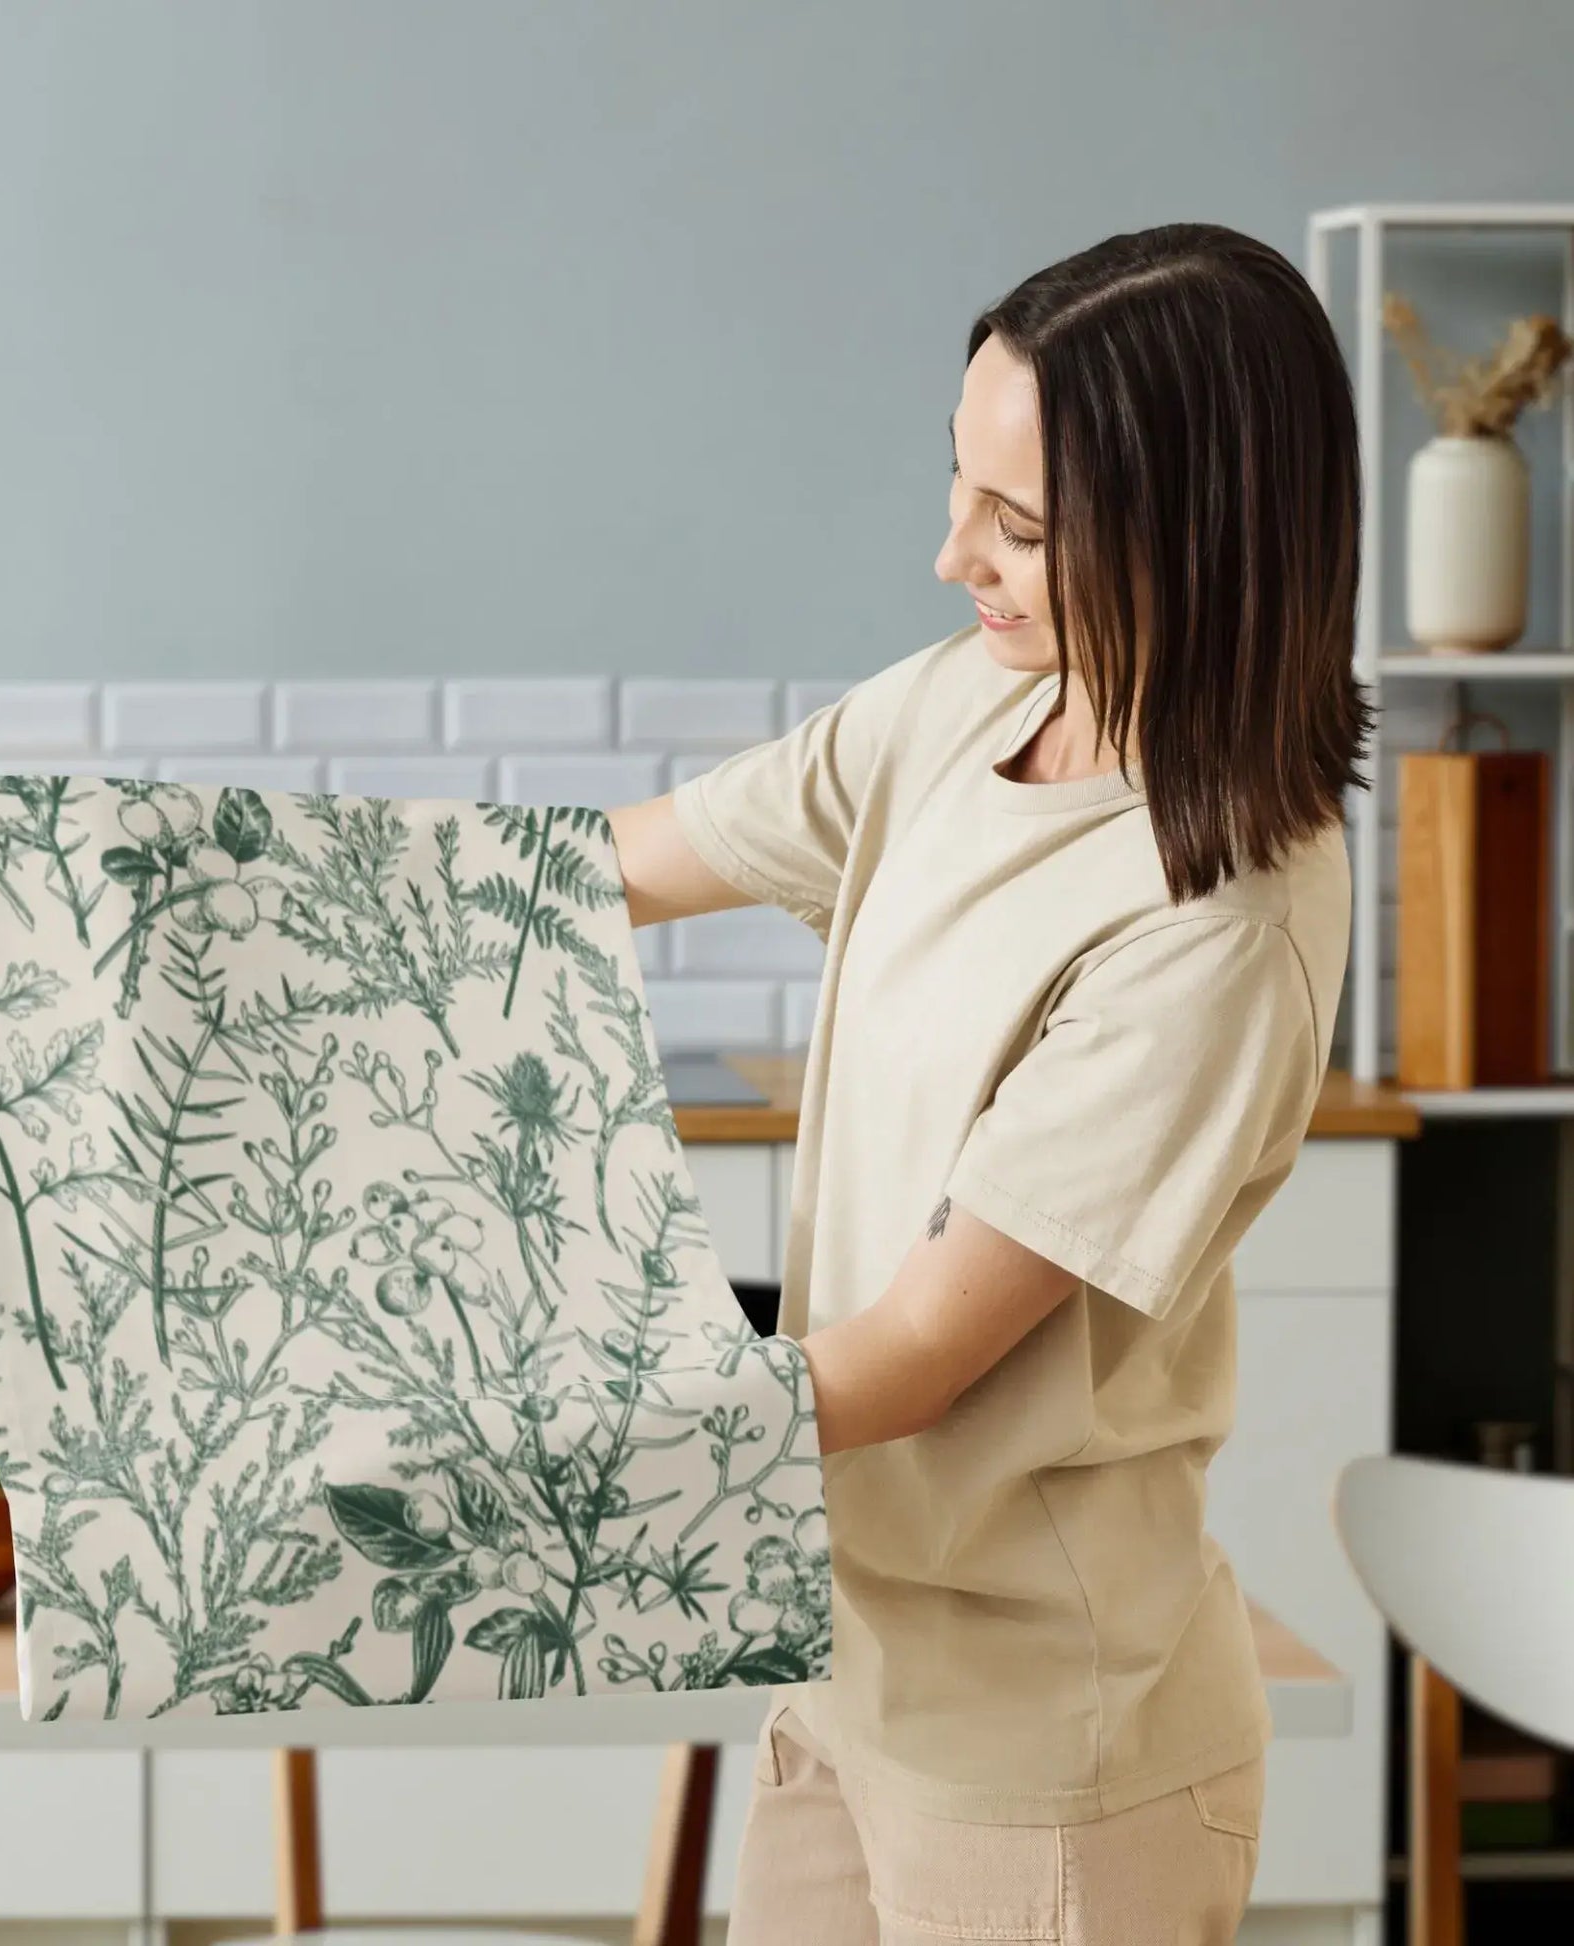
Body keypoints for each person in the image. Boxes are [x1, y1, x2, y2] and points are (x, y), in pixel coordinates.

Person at [605, 223, 1371, 1944]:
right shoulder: (967, 702)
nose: (952, 552)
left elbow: (910, 1361)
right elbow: (612, 866)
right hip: (846, 1665)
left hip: (1047, 1764)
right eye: (962, 486)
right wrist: (214, 906)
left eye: (1020, 527)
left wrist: (531, 1431)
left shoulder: (1214, 922)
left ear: (1203, 533)